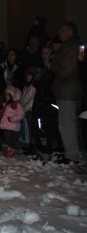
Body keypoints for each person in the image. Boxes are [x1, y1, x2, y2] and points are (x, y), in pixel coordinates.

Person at [50, 21, 83, 164]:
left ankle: (71, 155)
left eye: (62, 30)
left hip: (66, 89)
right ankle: (72, 151)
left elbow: (67, 69)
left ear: (70, 31)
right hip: (66, 89)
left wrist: (53, 80)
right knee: (68, 121)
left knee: (66, 122)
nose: (59, 33)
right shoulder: (70, 45)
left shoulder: (71, 46)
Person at [0, 86, 24, 157]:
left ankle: (13, 150)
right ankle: (9, 149)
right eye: (6, 95)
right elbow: (4, 113)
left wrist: (13, 119)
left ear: (13, 96)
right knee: (7, 138)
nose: (6, 97)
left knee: (12, 138)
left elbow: (21, 115)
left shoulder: (17, 105)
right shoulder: (6, 104)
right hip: (6, 125)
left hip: (13, 126)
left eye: (8, 95)